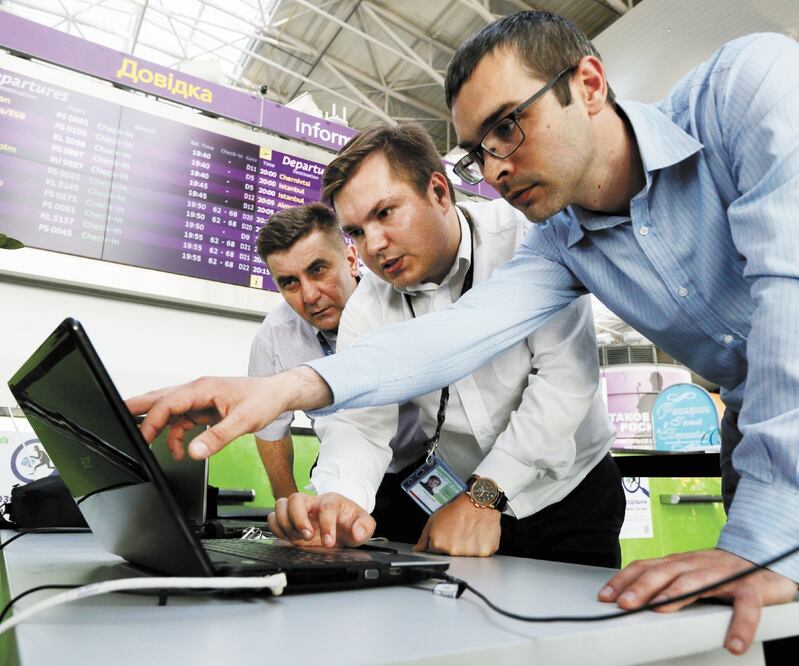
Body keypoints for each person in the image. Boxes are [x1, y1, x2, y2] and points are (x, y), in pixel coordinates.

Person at [128, 11, 799, 655]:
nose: (497, 167)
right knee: (767, 630)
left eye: (508, 126)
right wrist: (288, 388)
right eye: (480, 149)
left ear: (587, 85)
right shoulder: (562, 243)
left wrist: (760, 536)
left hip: (624, 475)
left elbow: (786, 315)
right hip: (757, 433)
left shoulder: (746, 86)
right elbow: (454, 337)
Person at [269, 123, 623, 565]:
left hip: (569, 496)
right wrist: (338, 498)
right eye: (356, 232)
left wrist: (485, 496)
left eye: (385, 213)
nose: (374, 245)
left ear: (439, 191)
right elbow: (361, 423)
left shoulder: (526, 239)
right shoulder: (368, 305)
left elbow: (564, 383)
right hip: (460, 506)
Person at [247, 203, 425, 498]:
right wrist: (287, 502)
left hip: (422, 466)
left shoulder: (404, 303)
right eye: (289, 283)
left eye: (318, 270)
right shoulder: (275, 335)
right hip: (341, 466)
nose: (309, 295)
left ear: (351, 259)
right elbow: (270, 427)